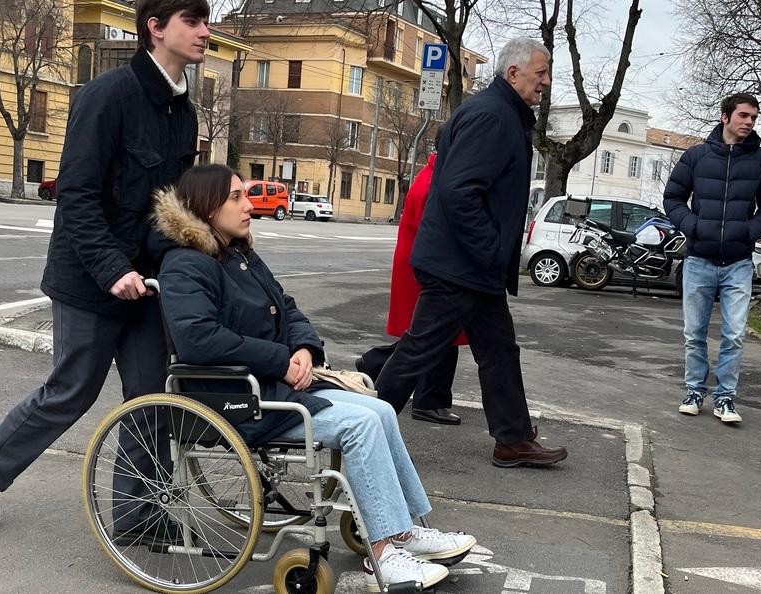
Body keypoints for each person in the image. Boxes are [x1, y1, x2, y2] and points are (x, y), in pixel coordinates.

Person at [149, 164, 477, 591]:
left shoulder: (239, 255)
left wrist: (304, 349)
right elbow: (199, 340)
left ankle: (404, 530)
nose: (248, 205)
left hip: (276, 388)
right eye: (236, 197)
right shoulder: (184, 265)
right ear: (207, 207)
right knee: (360, 426)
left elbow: (286, 308)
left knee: (380, 410)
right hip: (236, 398)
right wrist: (280, 360)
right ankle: (383, 555)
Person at [0, 0, 209, 537]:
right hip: (89, 276)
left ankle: (138, 514)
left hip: (148, 282)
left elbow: (172, 206)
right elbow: (76, 195)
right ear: (155, 28)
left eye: (206, 20)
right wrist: (112, 269)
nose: (205, 32)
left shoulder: (184, 112)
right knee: (74, 388)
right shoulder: (107, 96)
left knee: (150, 399)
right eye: (193, 21)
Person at [373, 37, 568, 468]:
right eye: (541, 73)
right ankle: (362, 430)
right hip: (461, 265)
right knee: (419, 351)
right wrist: (492, 249)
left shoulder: (500, 113)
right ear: (513, 73)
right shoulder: (492, 117)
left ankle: (513, 438)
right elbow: (459, 192)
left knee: (498, 351)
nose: (546, 82)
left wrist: (490, 256)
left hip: (471, 266)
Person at [664, 93, 761, 424]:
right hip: (699, 260)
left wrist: (749, 231)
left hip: (738, 262)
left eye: (753, 118)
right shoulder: (696, 157)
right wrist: (694, 226)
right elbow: (673, 198)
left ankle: (725, 398)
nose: (749, 122)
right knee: (694, 333)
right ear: (725, 117)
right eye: (743, 115)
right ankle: (694, 391)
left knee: (734, 334)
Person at [358, 133, 467, 426]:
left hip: (420, 263)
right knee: (435, 334)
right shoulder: (436, 182)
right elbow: (437, 231)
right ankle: (429, 400)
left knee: (430, 333)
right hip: (429, 267)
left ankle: (377, 364)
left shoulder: (433, 175)